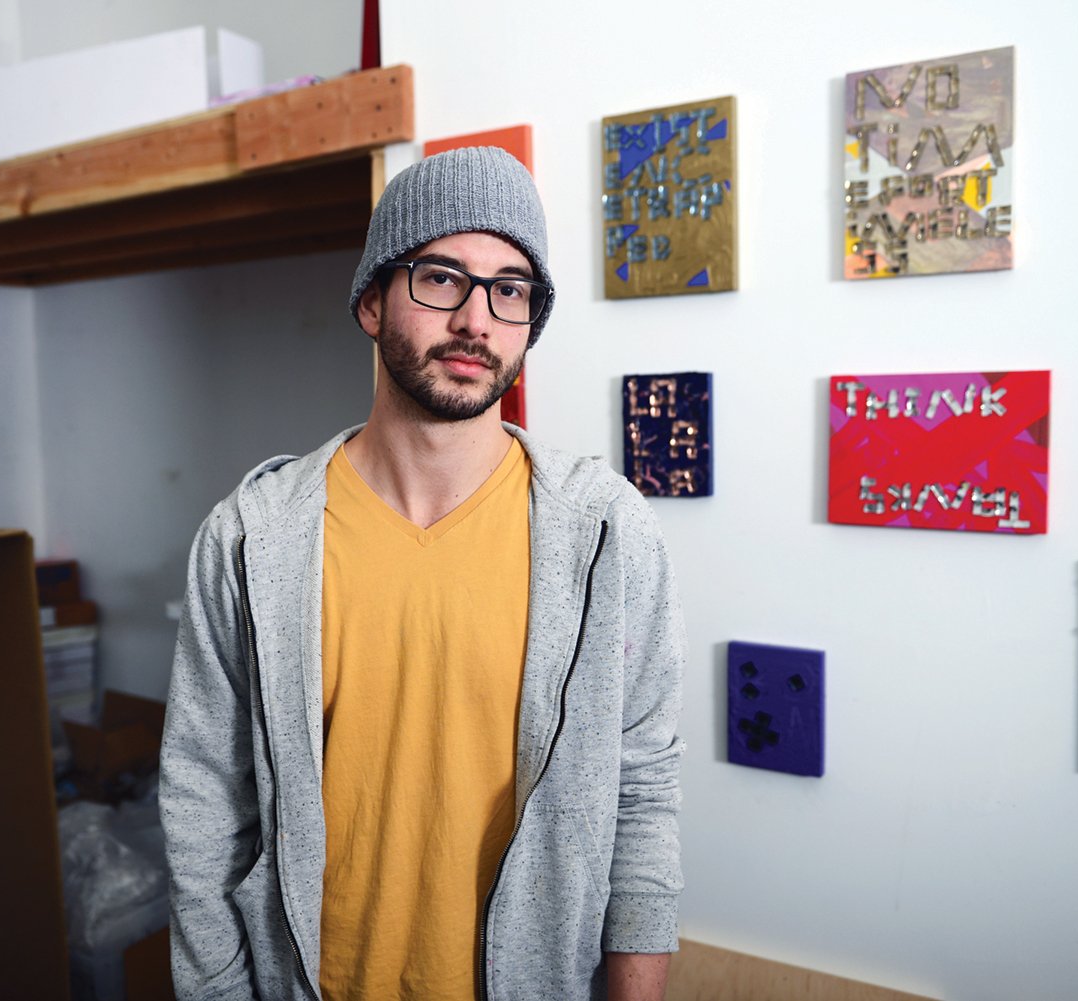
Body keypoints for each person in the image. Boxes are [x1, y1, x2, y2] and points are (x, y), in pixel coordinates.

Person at [160, 145, 685, 1001]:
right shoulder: (253, 537)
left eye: (510, 289)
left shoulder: (603, 533)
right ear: (372, 300)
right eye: (442, 278)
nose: (477, 319)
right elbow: (203, 805)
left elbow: (644, 788)